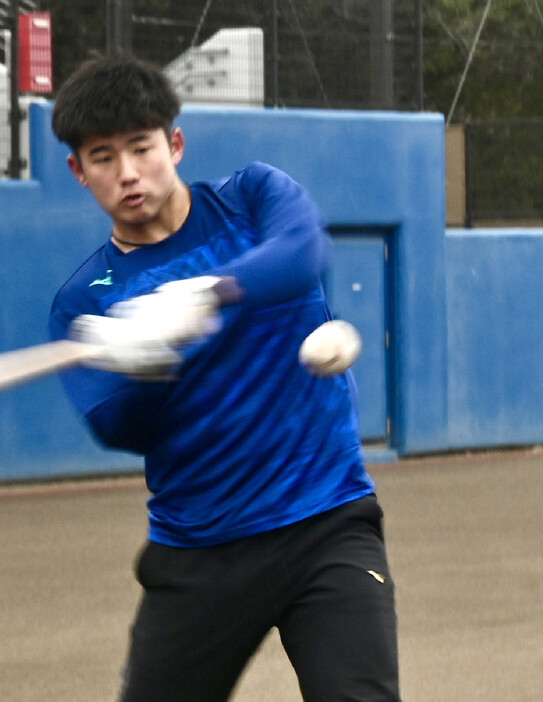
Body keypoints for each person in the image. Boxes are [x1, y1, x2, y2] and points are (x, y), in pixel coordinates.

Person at [48, 54, 401, 702]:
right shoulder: (86, 302)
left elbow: (302, 253)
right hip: (200, 550)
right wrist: (147, 368)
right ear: (78, 170)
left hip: (326, 520)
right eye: (102, 157)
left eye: (141, 147)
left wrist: (210, 293)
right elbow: (116, 426)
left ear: (174, 143)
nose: (127, 173)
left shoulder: (252, 198)